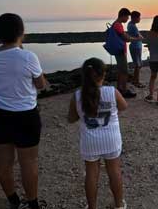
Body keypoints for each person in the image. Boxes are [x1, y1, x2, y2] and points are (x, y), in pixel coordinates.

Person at [0, 13, 47, 209]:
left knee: (4, 162)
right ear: (22, 32)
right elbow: (40, 85)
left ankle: (14, 201)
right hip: (26, 117)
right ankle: (33, 204)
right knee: (28, 162)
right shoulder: (28, 56)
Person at [68, 58, 128, 209]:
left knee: (91, 174)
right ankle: (119, 205)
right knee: (114, 170)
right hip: (111, 139)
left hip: (90, 141)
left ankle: (92, 207)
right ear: (103, 75)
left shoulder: (77, 95)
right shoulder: (111, 92)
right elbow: (124, 106)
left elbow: (71, 118)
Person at [113, 8, 143, 98]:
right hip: (120, 50)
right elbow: (126, 37)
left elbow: (125, 36)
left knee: (121, 70)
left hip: (119, 49)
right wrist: (137, 39)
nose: (127, 19)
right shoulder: (118, 25)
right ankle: (124, 91)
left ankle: (119, 89)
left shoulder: (116, 24)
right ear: (123, 15)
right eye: (127, 17)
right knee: (124, 71)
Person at [127, 11, 145, 88]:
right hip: (135, 47)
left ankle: (135, 80)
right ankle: (136, 82)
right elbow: (139, 37)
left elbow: (139, 36)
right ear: (135, 18)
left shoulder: (131, 25)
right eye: (139, 17)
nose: (139, 19)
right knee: (137, 65)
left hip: (136, 46)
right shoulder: (132, 26)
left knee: (138, 65)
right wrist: (140, 38)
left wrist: (140, 37)